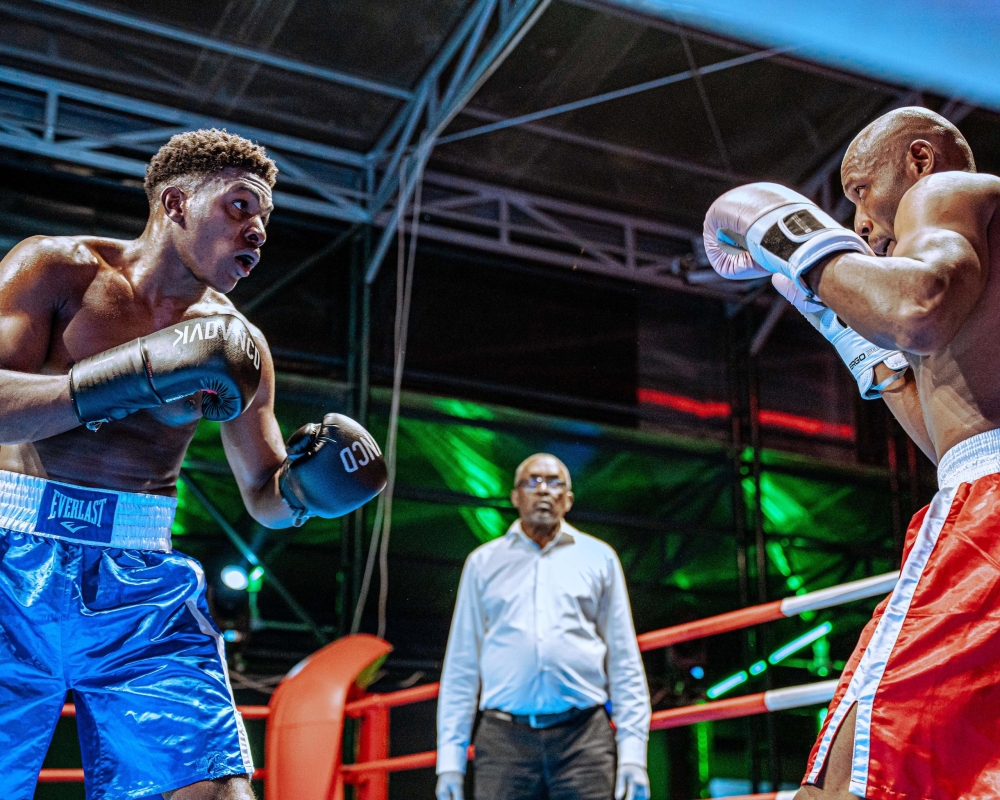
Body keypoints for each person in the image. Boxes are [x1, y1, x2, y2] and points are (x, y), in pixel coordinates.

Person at [0, 128, 387, 800]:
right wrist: (137, 376)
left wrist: (306, 489)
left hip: (141, 587)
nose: (259, 229)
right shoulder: (56, 270)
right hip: (11, 561)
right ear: (175, 202)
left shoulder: (239, 345)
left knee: (215, 795)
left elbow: (263, 492)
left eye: (266, 216)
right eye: (242, 206)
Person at [703, 107, 1000, 799]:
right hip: (979, 480)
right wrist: (855, 338)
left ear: (920, 160)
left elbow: (919, 308)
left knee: (855, 775)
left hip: (986, 519)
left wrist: (794, 237)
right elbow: (953, 439)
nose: (860, 222)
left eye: (862, 190)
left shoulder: (946, 193)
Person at [435, 453, 652, 800]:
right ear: (515, 496)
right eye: (532, 481)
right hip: (504, 741)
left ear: (568, 499)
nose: (544, 490)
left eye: (555, 483)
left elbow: (624, 660)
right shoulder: (483, 563)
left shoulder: (599, 558)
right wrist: (450, 760)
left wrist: (634, 755)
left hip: (584, 738)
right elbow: (462, 665)